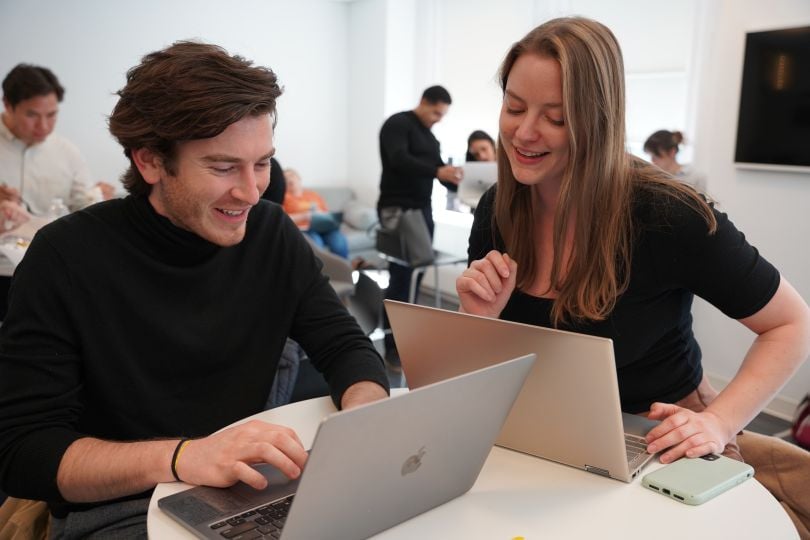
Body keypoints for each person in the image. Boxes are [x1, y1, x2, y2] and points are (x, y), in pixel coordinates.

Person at [0, 41, 389, 537]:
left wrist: (363, 417)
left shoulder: (270, 234)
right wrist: (187, 457)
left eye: (263, 162)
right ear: (150, 162)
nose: (252, 192)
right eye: (223, 167)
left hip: (250, 492)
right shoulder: (65, 258)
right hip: (124, 509)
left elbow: (344, 345)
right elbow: (24, 452)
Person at [456, 16, 810, 530]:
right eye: (514, 107)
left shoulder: (667, 214)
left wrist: (717, 423)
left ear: (597, 118)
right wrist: (480, 320)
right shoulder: (498, 208)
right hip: (542, 434)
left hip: (656, 442)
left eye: (554, 117)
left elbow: (791, 324)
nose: (523, 132)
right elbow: (492, 370)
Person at [377, 85, 463, 363]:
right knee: (402, 277)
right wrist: (437, 170)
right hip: (399, 210)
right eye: (436, 112)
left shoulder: (429, 137)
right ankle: (393, 347)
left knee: (415, 274)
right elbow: (399, 159)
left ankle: (405, 338)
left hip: (422, 210)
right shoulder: (398, 124)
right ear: (424, 102)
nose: (438, 118)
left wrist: (456, 177)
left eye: (443, 115)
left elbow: (438, 170)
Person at [0, 64, 115, 215]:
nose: (43, 126)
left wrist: (99, 199)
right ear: (7, 105)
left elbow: (82, 210)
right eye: (31, 115)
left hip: (50, 238)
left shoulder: (68, 152)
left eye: (51, 115)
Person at [282, 167, 349, 258]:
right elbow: (283, 219)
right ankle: (319, 272)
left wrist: (323, 216)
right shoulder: (283, 198)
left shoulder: (313, 194)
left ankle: (344, 271)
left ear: (299, 178)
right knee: (316, 244)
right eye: (285, 178)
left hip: (324, 227)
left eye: (291, 175)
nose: (289, 179)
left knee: (339, 242)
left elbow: (326, 212)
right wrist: (304, 216)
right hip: (305, 229)